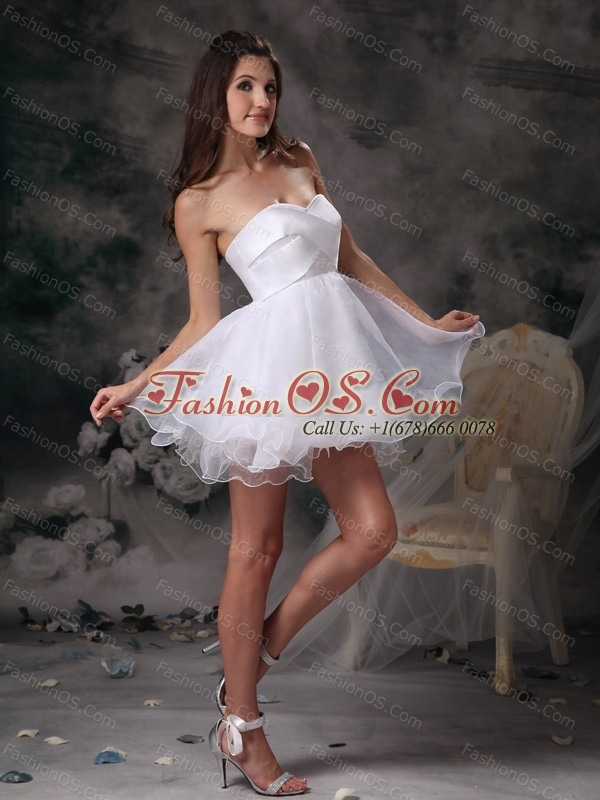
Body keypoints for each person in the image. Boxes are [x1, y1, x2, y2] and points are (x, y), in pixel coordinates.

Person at [90, 29, 483, 797]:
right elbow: (202, 322)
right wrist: (137, 385)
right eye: (245, 86)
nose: (261, 100)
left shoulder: (300, 159)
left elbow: (352, 260)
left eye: (269, 86)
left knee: (373, 531)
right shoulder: (198, 201)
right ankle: (244, 724)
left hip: (334, 365)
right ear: (215, 93)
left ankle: (256, 658)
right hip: (269, 371)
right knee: (256, 549)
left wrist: (426, 321)